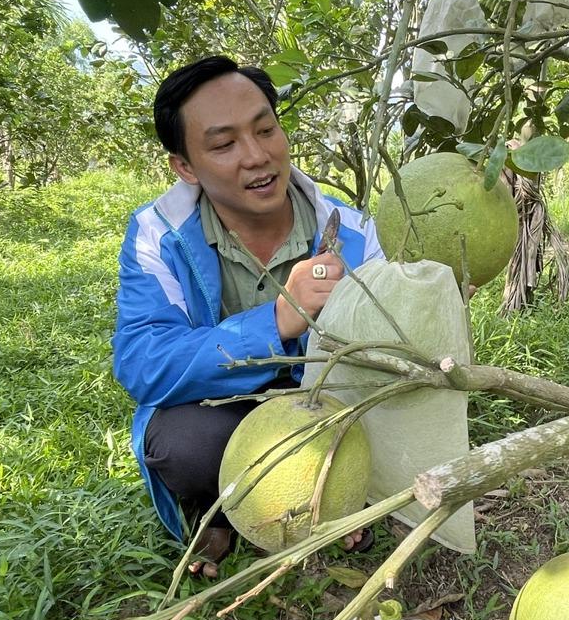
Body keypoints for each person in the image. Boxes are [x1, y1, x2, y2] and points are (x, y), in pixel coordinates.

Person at [112, 56, 384, 578]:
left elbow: (389, 352)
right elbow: (142, 361)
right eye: (223, 144)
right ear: (186, 166)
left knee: (377, 424)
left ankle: (332, 498)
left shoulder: (350, 231)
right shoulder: (159, 235)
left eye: (265, 130)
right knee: (184, 448)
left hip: (327, 404)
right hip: (221, 408)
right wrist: (277, 322)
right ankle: (221, 509)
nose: (257, 156)